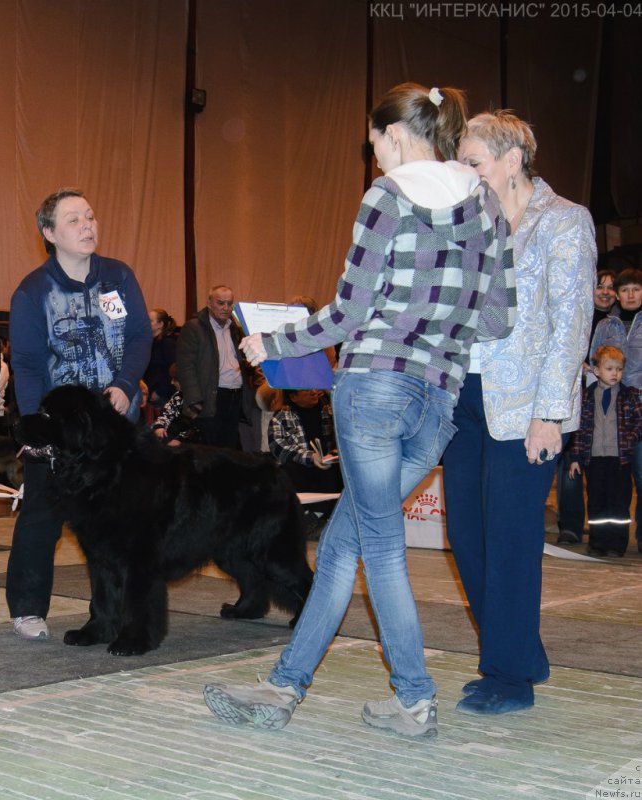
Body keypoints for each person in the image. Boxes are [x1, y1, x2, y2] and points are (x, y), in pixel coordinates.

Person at [202, 82, 516, 739]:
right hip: (439, 401)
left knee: (380, 548)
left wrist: (272, 343)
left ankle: (414, 697)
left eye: (374, 144)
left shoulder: (387, 197)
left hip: (374, 389)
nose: (374, 158)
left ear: (397, 136)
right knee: (345, 544)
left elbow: (348, 313)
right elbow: (497, 317)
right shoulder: (487, 202)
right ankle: (283, 689)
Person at [442, 110, 596, 715]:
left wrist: (551, 413)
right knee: (468, 537)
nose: (466, 174)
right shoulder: (470, 224)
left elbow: (571, 322)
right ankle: (520, 654)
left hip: (527, 406)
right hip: (465, 399)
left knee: (509, 539)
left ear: (511, 161)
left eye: (474, 162)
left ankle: (508, 676)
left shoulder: (564, 222)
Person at [6, 188, 152, 641]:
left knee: (119, 521)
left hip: (115, 429)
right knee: (41, 515)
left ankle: (110, 612)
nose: (87, 225)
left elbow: (138, 338)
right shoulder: (32, 291)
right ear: (49, 233)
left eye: (90, 216)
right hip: (60, 432)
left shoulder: (118, 278)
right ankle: (28, 607)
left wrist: (126, 385)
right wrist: (36, 428)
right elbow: (27, 365)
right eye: (73, 220)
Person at [557, 269, 618, 545]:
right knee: (571, 460)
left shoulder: (615, 324)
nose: (605, 291)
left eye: (610, 287)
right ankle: (569, 525)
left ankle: (602, 530)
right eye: (599, 286)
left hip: (602, 401)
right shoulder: (574, 314)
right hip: (572, 396)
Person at [569, 346, 642, 557]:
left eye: (619, 369)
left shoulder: (629, 396)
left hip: (619, 460)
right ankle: (598, 542)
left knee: (619, 502)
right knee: (596, 501)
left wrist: (629, 438)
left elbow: (639, 422)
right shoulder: (586, 397)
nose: (615, 374)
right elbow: (579, 429)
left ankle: (617, 543)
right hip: (594, 460)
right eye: (609, 368)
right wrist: (575, 457)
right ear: (597, 371)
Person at [589, 268, 642, 553]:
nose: (630, 294)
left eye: (636, 288)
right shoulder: (606, 324)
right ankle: (604, 541)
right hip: (610, 411)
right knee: (610, 484)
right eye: (626, 289)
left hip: (639, 408)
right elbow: (593, 356)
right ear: (619, 295)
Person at [175, 285, 252, 449]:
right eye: (221, 303)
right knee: (210, 451)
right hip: (211, 397)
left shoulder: (235, 329)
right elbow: (185, 367)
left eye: (230, 304)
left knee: (230, 448)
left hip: (236, 397)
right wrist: (195, 399)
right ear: (209, 303)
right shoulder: (194, 327)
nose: (226, 308)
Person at [144, 308, 178, 413]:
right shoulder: (152, 343)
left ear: (160, 324)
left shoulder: (168, 343)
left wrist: (160, 392)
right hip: (150, 393)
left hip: (162, 396)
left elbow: (173, 370)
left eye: (150, 321)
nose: (146, 323)